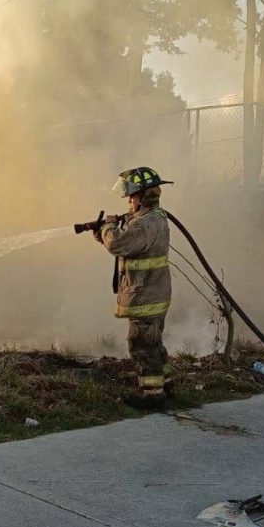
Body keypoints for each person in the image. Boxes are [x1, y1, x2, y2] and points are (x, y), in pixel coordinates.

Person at [94, 167, 173, 410]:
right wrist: (105, 233)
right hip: (155, 293)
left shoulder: (143, 224)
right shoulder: (155, 218)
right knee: (154, 343)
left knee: (141, 346)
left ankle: (152, 395)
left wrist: (108, 228)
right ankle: (166, 384)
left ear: (142, 196)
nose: (128, 201)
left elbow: (118, 244)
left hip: (144, 296)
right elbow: (129, 244)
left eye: (131, 196)